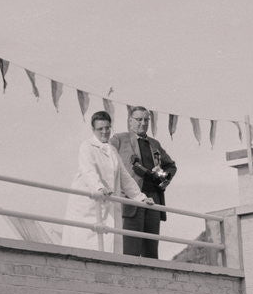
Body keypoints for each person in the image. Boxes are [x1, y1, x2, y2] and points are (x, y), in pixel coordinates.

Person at [63, 111, 151, 252]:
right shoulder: (87, 147)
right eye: (100, 129)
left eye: (107, 128)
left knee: (106, 244)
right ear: (93, 130)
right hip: (87, 207)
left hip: (107, 205)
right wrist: (98, 188)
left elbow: (125, 177)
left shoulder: (112, 151)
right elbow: (88, 171)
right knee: (85, 244)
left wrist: (141, 198)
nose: (105, 132)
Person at [110, 105, 177, 259]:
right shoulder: (119, 139)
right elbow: (105, 153)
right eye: (139, 119)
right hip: (131, 200)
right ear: (130, 121)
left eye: (146, 120)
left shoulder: (154, 143)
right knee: (130, 250)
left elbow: (171, 166)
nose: (143, 123)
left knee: (151, 251)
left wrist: (164, 178)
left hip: (153, 199)